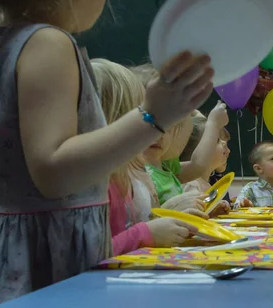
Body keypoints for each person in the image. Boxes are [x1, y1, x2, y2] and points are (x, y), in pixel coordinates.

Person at [0, 0, 214, 306]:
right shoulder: (47, 43)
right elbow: (53, 170)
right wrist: (152, 117)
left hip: (3, 256)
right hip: (39, 268)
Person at [91, 59, 204, 255]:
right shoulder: (98, 183)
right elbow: (92, 255)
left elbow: (136, 227)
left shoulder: (125, 173)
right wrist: (146, 233)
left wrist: (166, 222)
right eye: (143, 115)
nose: (156, 130)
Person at [142, 101, 229, 205]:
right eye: (147, 126)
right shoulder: (140, 174)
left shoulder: (165, 166)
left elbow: (197, 166)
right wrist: (213, 123)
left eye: (166, 128)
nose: (158, 135)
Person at [181, 110, 231, 215]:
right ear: (200, 150)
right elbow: (193, 217)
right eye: (216, 140)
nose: (223, 143)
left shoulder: (206, 183)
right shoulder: (191, 185)